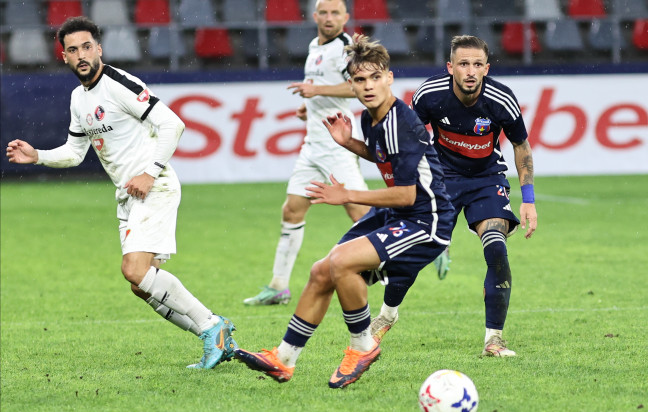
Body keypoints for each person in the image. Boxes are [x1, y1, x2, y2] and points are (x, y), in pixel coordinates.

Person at [6, 16, 236, 369]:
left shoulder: (119, 83)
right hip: (128, 195)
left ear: (99, 49)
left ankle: (212, 326)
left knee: (133, 269)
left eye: (86, 47)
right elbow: (75, 152)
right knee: (142, 284)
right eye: (72, 50)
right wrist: (38, 156)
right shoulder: (77, 99)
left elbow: (173, 124)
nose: (81, 55)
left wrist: (149, 172)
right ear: (64, 57)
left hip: (153, 186)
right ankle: (218, 339)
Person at [233, 34, 455, 388]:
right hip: (402, 214)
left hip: (426, 219)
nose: (368, 86)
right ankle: (284, 358)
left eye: (374, 78)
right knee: (322, 270)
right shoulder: (371, 118)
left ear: (389, 78)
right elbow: (385, 157)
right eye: (360, 80)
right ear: (351, 84)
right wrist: (350, 144)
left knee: (341, 263)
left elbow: (406, 195)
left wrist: (346, 195)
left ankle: (362, 346)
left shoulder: (402, 121)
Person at [371, 35, 538, 357]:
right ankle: (387, 314)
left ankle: (494, 339)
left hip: (486, 180)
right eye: (463, 64)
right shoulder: (430, 95)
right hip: (441, 179)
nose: (471, 71)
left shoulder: (501, 99)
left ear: (486, 68)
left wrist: (528, 199)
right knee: (415, 251)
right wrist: (406, 188)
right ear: (451, 67)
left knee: (496, 247)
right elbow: (409, 145)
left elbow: (522, 147)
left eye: (477, 64)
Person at [243, 0, 369, 306]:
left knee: (360, 212)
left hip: (337, 144)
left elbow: (358, 87)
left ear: (345, 17)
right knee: (292, 210)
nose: (329, 18)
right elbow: (324, 86)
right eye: (323, 12)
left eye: (335, 13)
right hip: (312, 144)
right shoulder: (315, 46)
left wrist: (317, 92)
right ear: (314, 16)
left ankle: (398, 262)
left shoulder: (347, 48)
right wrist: (309, 105)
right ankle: (278, 286)